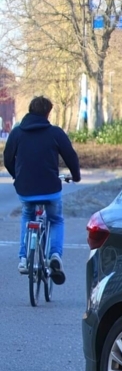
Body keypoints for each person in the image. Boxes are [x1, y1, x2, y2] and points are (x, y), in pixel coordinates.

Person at [3, 96, 81, 283]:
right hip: (50, 188)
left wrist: (17, 175)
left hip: (25, 189)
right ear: (48, 113)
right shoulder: (55, 133)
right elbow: (70, 156)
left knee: (28, 216)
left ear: (30, 110)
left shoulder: (17, 133)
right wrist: (76, 176)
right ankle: (55, 255)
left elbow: (7, 159)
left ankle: (23, 258)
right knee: (56, 220)